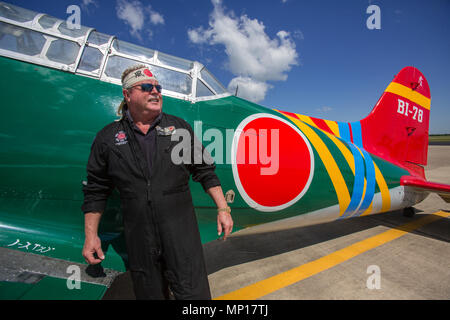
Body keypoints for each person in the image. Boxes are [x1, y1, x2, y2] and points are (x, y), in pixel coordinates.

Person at [81, 64, 233, 299]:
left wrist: (223, 208)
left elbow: (205, 171)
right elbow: (96, 190)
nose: (156, 92)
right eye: (146, 87)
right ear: (127, 94)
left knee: (195, 296)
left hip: (181, 235)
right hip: (140, 240)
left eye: (158, 87)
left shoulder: (179, 128)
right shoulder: (108, 138)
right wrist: (91, 236)